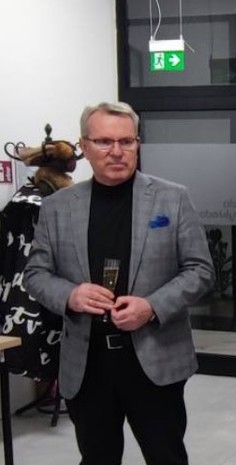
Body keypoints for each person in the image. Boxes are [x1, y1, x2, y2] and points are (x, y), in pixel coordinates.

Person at [24, 101, 215, 465]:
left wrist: (152, 306)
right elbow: (36, 274)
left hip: (154, 358)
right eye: (104, 142)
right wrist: (71, 295)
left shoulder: (172, 198)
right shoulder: (57, 207)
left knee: (167, 457)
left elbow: (200, 270)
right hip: (88, 362)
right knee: (97, 458)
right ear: (84, 145)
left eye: (126, 141)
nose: (116, 151)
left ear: (137, 143)